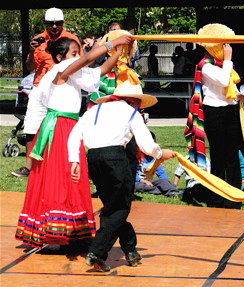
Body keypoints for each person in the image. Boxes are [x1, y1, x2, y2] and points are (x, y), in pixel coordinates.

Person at [14, 34, 133, 251]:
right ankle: (62, 232)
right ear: (60, 57)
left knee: (71, 177)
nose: (78, 57)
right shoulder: (60, 72)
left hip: (68, 127)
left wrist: (119, 53)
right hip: (59, 128)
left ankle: (71, 233)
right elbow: (87, 61)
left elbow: (99, 70)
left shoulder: (73, 74)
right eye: (74, 53)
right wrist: (111, 44)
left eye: (79, 53)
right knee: (62, 177)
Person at [68, 81, 176, 272]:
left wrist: (74, 160)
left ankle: (130, 249)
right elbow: (146, 142)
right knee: (119, 208)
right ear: (133, 101)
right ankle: (97, 252)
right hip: (116, 158)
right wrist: (160, 154)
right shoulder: (130, 112)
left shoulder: (95, 110)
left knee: (113, 205)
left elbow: (75, 133)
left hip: (93, 159)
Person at [11, 7, 82, 178]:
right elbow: (30, 67)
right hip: (40, 87)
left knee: (62, 127)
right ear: (46, 23)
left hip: (62, 88)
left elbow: (81, 62)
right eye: (51, 23)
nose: (55, 26)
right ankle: (29, 167)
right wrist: (32, 50)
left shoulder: (71, 40)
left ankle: (63, 164)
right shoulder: (38, 40)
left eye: (58, 23)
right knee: (31, 126)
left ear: (63, 23)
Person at [184, 23, 244, 209]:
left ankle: (234, 196)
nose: (227, 47)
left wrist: (239, 94)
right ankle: (218, 197)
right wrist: (228, 60)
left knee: (233, 156)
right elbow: (224, 80)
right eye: (223, 44)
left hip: (230, 110)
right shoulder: (205, 65)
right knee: (219, 156)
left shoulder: (222, 64)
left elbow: (230, 86)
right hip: (214, 113)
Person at [135, 132, 183, 198]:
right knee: (137, 186)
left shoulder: (155, 158)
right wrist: (142, 180)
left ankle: (173, 191)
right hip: (137, 181)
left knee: (163, 182)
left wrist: (166, 181)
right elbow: (130, 173)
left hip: (149, 181)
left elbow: (161, 174)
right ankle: (164, 190)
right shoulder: (135, 156)